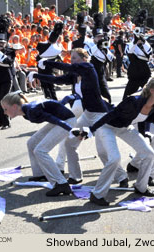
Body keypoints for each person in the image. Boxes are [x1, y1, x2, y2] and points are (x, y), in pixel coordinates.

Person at [83, 76, 154, 205]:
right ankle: (97, 194)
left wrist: (144, 135)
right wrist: (92, 129)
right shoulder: (133, 101)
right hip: (107, 126)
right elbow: (111, 114)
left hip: (125, 127)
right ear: (152, 90)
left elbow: (143, 121)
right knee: (114, 158)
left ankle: (141, 187)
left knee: (149, 153)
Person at [32, 48, 111, 186]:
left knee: (103, 150)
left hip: (100, 114)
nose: (71, 60)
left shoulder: (88, 67)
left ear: (83, 58)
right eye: (71, 57)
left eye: (74, 57)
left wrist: (48, 63)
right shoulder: (75, 75)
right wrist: (36, 76)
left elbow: (67, 66)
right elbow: (58, 80)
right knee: (70, 142)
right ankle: (75, 176)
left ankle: (121, 176)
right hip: (88, 114)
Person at [1, 92, 77, 196]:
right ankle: (40, 174)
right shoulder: (27, 111)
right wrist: (71, 97)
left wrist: (72, 130)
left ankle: (61, 183)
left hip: (67, 122)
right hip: (60, 121)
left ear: (14, 106)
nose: (4, 112)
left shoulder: (32, 110)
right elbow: (58, 105)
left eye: (5, 109)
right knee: (32, 143)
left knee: (40, 151)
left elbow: (55, 119)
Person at [84, 13, 114, 103]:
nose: (100, 38)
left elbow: (111, 58)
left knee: (106, 95)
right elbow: (87, 54)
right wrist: (97, 46)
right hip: (90, 74)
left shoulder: (103, 45)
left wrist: (104, 48)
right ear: (94, 36)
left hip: (101, 74)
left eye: (101, 36)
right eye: (98, 37)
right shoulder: (88, 44)